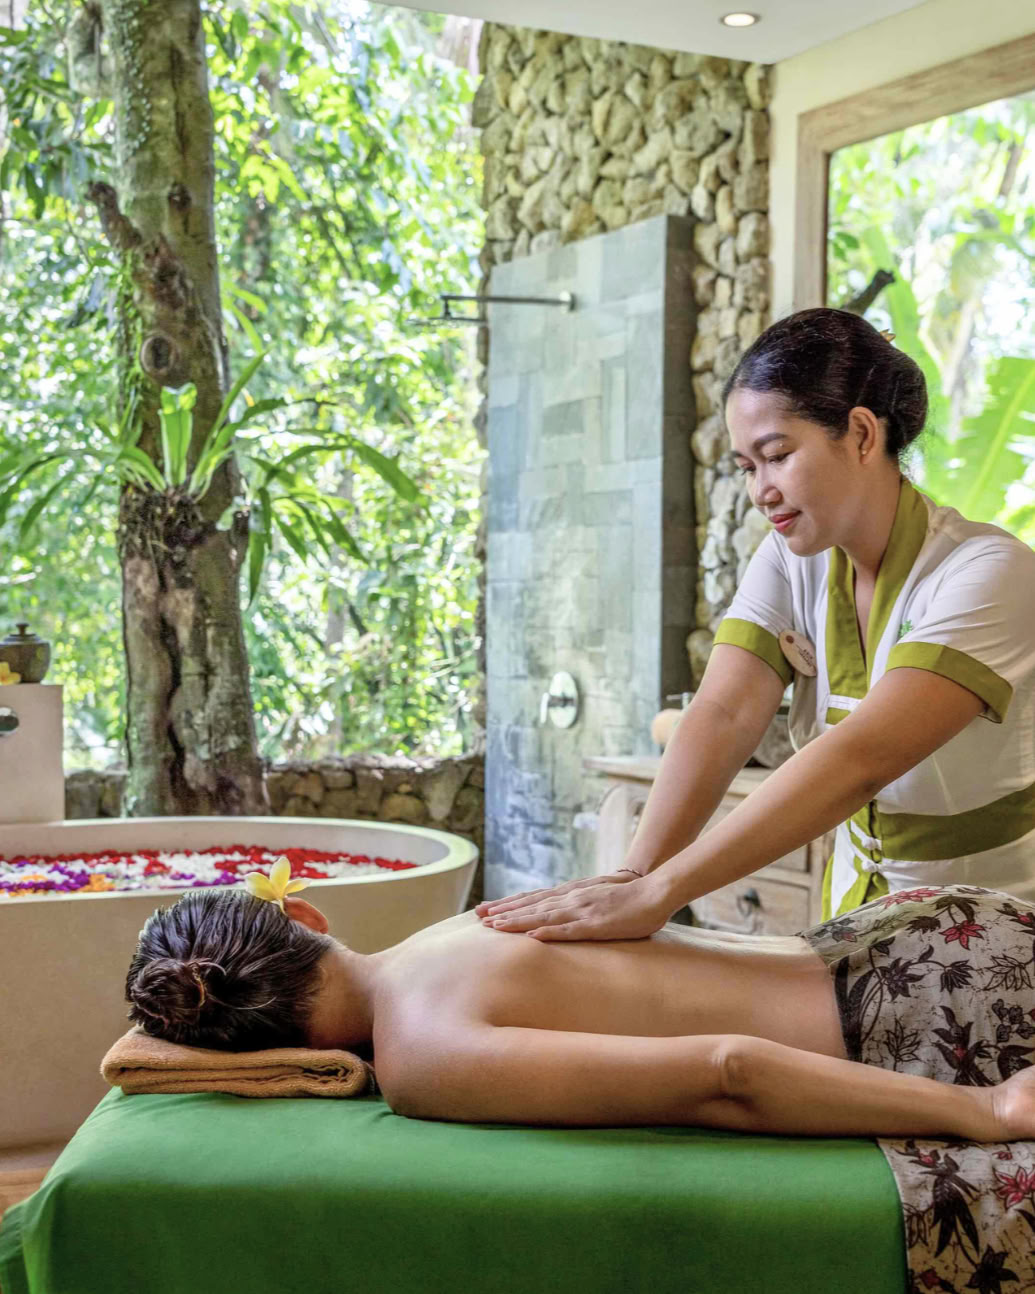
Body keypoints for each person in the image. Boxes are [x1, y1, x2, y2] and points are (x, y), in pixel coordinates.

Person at [476, 307, 1035, 943]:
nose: (760, 491)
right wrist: (630, 877)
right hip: (852, 923)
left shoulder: (993, 572)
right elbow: (722, 712)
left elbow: (862, 759)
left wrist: (661, 893)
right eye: (747, 467)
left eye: (776, 456)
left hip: (992, 938)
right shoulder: (790, 558)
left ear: (859, 434)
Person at [125, 883, 1035, 1140]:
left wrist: (984, 1111)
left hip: (936, 1014)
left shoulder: (420, 1057)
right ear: (305, 919)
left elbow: (727, 1073)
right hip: (921, 935)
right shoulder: (467, 923)